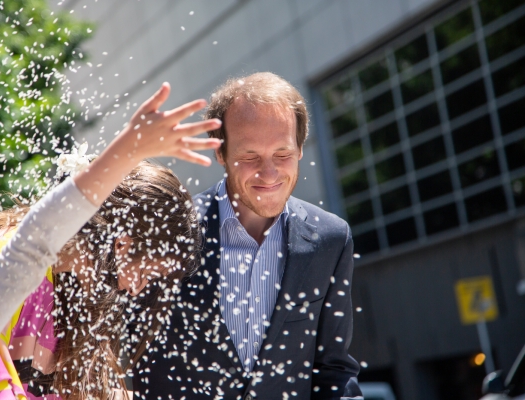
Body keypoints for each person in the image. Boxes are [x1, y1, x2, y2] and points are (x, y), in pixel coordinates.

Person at [0, 82, 222, 400]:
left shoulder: (79, 296)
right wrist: (129, 148)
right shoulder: (4, 253)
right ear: (122, 245)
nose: (136, 289)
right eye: (146, 273)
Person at [131, 73, 363, 399]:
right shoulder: (167, 232)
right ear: (221, 153)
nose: (268, 174)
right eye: (250, 156)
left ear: (300, 148)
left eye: (282, 153)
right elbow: (125, 356)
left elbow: (333, 371)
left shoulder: (331, 239)